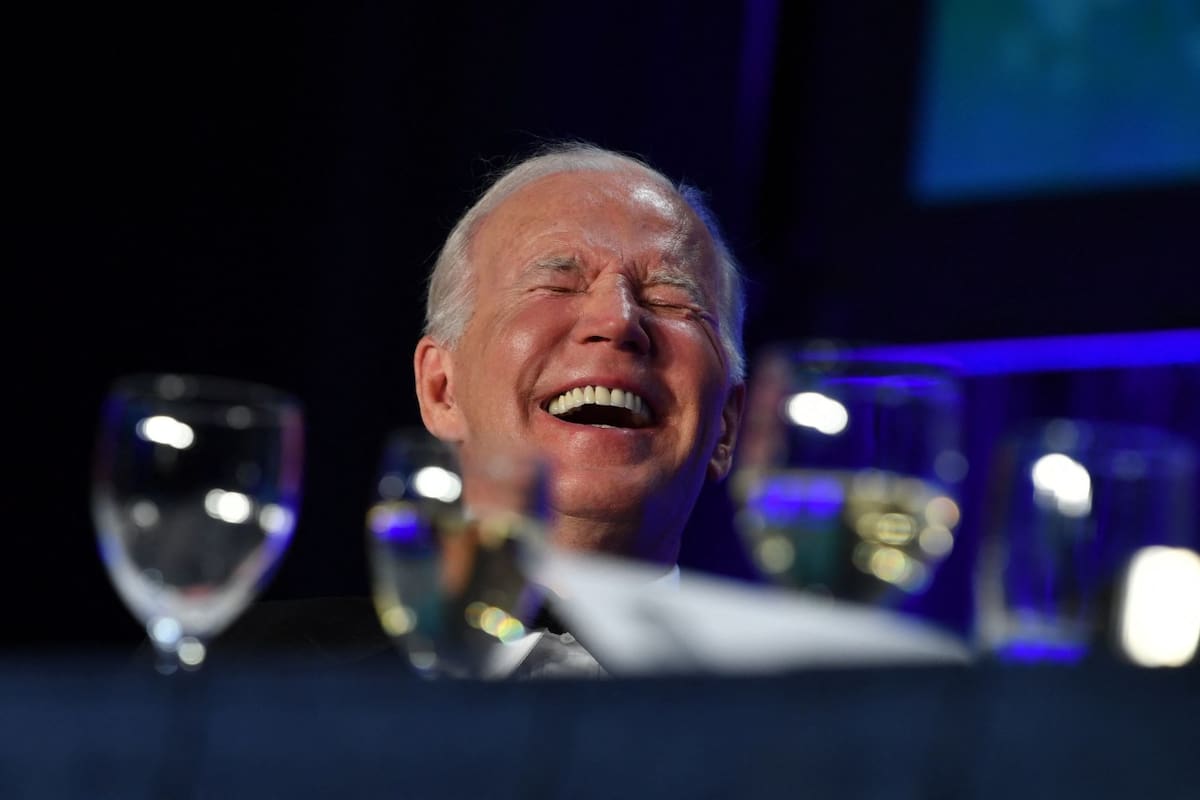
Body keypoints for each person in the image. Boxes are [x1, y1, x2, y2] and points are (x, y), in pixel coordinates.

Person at [412, 142, 747, 677]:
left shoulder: (826, 728)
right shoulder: (255, 676)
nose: (617, 321)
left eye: (668, 299)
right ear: (441, 389)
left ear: (726, 424)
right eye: (556, 284)